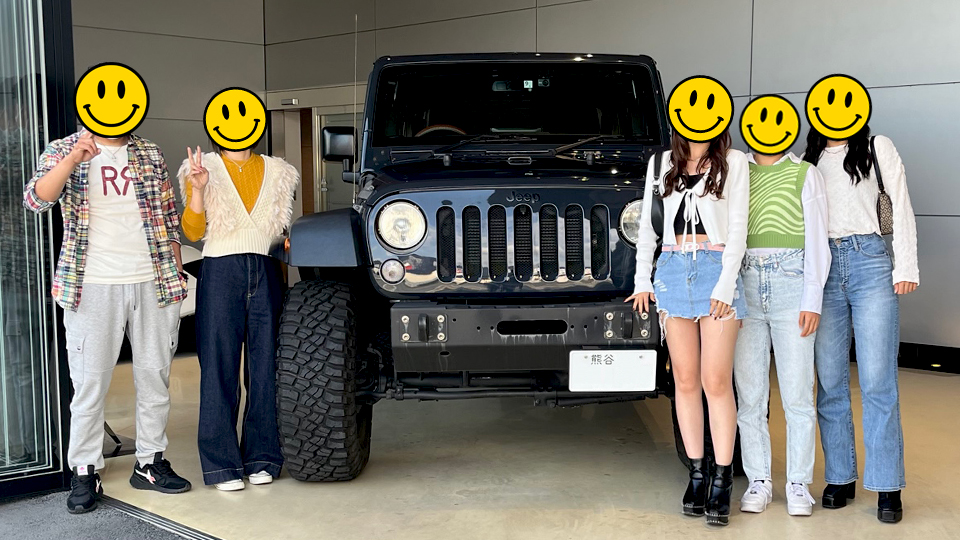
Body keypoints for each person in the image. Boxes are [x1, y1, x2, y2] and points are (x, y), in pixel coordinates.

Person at [23, 128, 192, 514]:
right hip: (92, 284)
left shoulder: (149, 151)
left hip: (153, 281)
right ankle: (85, 470)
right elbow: (36, 199)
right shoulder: (66, 148)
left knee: (155, 378)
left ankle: (149, 463)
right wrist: (73, 160)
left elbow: (168, 216)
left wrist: (176, 272)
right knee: (89, 382)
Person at [626, 129, 750, 526]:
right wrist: (642, 280)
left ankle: (722, 480)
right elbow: (649, 227)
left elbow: (738, 227)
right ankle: (697, 475)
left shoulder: (734, 162)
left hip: (716, 268)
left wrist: (726, 285)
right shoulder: (661, 163)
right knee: (684, 380)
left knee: (716, 381)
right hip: (672, 268)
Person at [802, 126, 919, 523]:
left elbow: (900, 203)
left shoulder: (876, 146)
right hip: (824, 267)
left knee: (877, 381)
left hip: (870, 260)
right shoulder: (810, 157)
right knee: (830, 380)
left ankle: (887, 484)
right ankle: (840, 476)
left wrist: (906, 266)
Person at [179, 140, 299, 491]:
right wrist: (198, 189)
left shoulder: (279, 170)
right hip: (220, 270)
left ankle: (263, 457)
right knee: (218, 368)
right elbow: (193, 231)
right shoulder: (202, 167)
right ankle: (221, 466)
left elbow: (279, 228)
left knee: (267, 368)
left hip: (267, 267)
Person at [734, 148, 830, 517]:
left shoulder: (805, 172)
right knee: (750, 395)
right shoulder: (737, 170)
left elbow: (817, 239)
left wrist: (813, 298)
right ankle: (758, 479)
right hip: (744, 283)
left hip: (792, 283)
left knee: (798, 394)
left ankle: (798, 483)